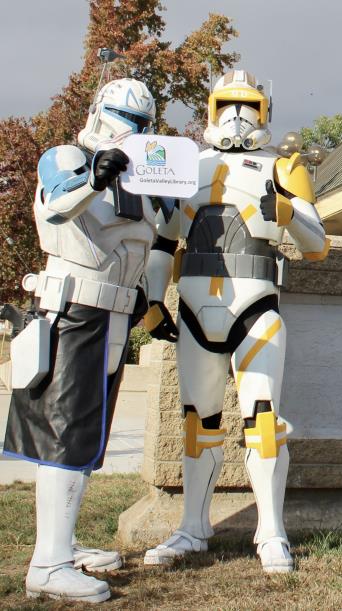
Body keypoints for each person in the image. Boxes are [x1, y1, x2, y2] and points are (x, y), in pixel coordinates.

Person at [142, 70, 329, 572]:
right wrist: (151, 301)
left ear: (265, 109)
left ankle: (271, 531)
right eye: (227, 102)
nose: (237, 114)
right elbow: (162, 243)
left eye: (247, 104)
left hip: (255, 310)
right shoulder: (187, 166)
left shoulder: (283, 167)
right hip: (195, 311)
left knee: (264, 421)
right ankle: (192, 526)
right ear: (211, 105)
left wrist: (288, 213)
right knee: (196, 423)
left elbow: (318, 244)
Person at [3, 78, 160, 603]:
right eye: (122, 115)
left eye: (142, 121)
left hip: (114, 313)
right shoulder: (68, 156)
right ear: (98, 111)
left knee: (87, 436)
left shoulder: (141, 179)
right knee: (67, 432)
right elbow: (53, 206)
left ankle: (62, 545)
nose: (133, 128)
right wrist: (94, 178)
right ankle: (47, 563)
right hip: (74, 308)